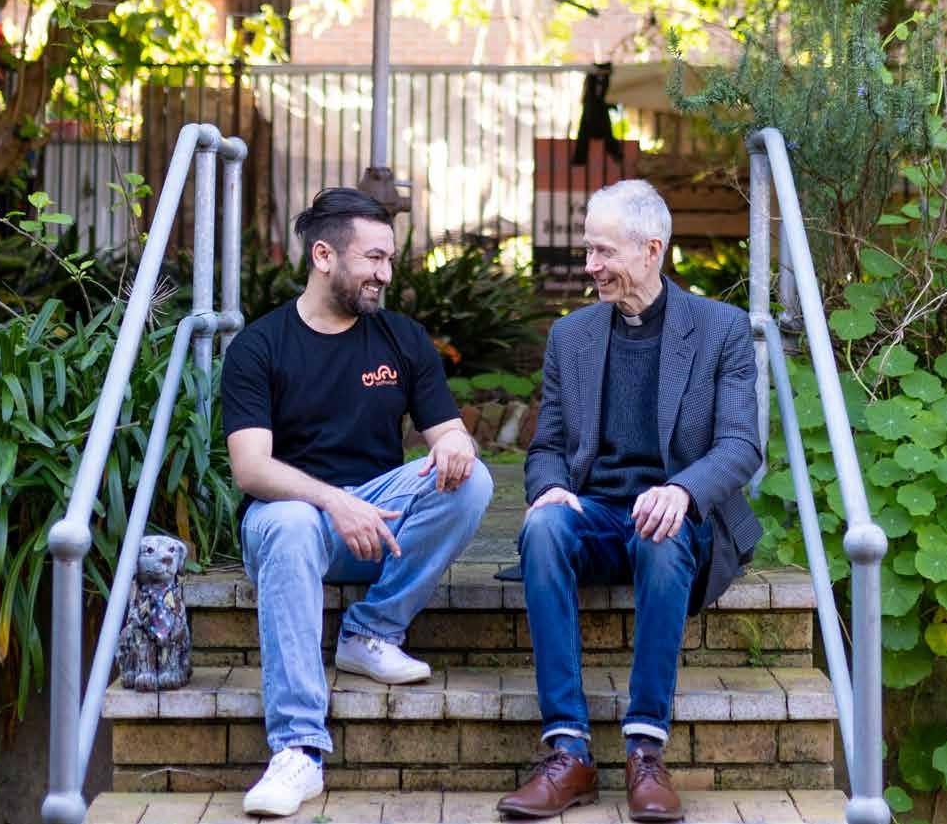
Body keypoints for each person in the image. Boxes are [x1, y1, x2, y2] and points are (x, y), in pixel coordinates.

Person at [496, 180, 762, 822]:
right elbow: (547, 445)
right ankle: (568, 752)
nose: (590, 266)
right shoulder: (572, 336)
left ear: (652, 250)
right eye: (588, 250)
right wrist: (550, 489)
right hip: (594, 514)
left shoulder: (721, 329)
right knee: (543, 530)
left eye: (603, 252)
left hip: (675, 519)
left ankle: (646, 751)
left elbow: (741, 445)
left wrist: (683, 490)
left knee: (661, 535)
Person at [221, 187, 491, 817]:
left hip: (378, 523)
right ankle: (297, 750)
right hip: (290, 524)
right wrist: (336, 503)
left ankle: (370, 631)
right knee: (292, 522)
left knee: (474, 481)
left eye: (389, 259)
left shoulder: (401, 338)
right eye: (373, 258)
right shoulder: (260, 346)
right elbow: (251, 468)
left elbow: (448, 434)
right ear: (324, 256)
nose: (385, 274)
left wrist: (458, 444)